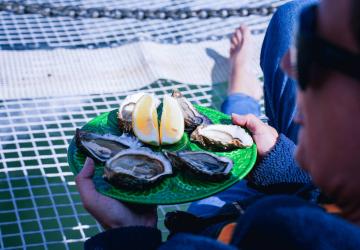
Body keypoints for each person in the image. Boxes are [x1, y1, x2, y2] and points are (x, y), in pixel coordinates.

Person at [75, 0, 360, 249]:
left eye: (318, 53)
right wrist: (280, 161)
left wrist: (127, 234)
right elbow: (317, 196)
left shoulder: (278, 231)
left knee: (230, 144)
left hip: (215, 225)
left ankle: (241, 92)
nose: (287, 63)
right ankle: (243, 90)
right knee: (292, 18)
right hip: (297, 189)